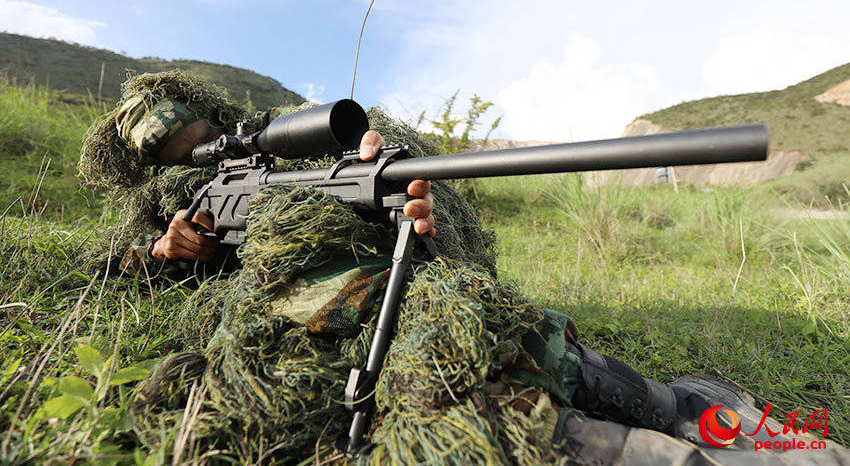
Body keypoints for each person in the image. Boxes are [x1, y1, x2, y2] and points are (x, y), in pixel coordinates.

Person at [103, 79, 843, 465]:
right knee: (514, 416)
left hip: (420, 313)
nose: (200, 151)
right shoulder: (169, 204)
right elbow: (117, 269)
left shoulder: (282, 153)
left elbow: (380, 216)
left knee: (567, 362)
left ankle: (703, 409)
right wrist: (169, 255)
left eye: (203, 136)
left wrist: (395, 207)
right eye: (180, 151)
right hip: (358, 354)